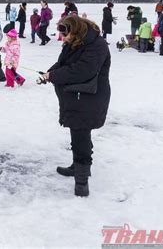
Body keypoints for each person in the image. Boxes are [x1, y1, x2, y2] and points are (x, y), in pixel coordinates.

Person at [42, 15, 111, 197]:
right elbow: (63, 63)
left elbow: (82, 70)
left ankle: (82, 182)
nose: (63, 39)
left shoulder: (97, 45)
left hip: (90, 97)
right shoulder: (76, 41)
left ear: (76, 31)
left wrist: (55, 76)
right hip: (76, 95)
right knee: (78, 132)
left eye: (66, 35)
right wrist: (50, 72)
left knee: (81, 135)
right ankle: (77, 166)